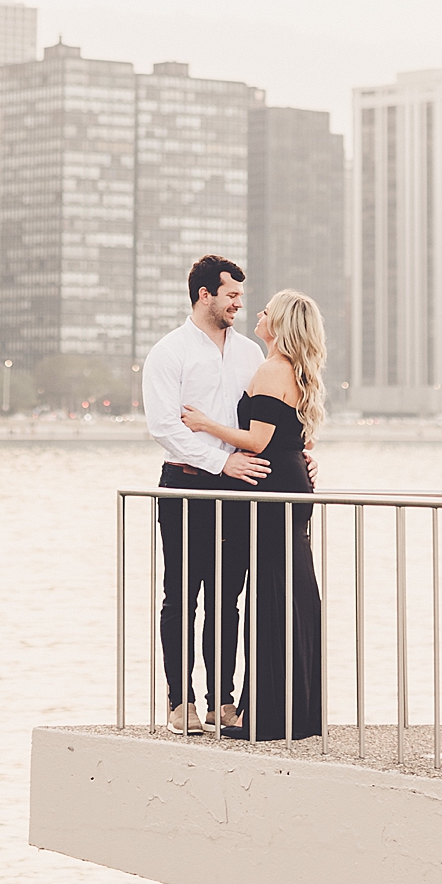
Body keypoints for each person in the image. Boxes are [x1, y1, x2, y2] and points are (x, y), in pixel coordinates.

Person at [182, 289, 325, 741]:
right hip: (290, 485)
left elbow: (259, 440)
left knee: (270, 595)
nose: (257, 314)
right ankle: (291, 708)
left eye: (265, 311)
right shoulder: (299, 373)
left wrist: (206, 424)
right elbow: (296, 438)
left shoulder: (271, 369)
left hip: (272, 490)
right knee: (289, 592)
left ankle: (269, 712)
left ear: (279, 324)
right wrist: (302, 459)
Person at [140, 255, 270, 734]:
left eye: (240, 294)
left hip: (236, 489)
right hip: (185, 485)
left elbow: (262, 421)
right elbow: (163, 426)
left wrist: (302, 454)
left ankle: (222, 702)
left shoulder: (250, 355)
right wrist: (220, 461)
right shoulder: (169, 352)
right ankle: (181, 704)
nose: (239, 302)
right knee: (181, 596)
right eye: (232, 294)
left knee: (226, 598)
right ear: (205, 295)